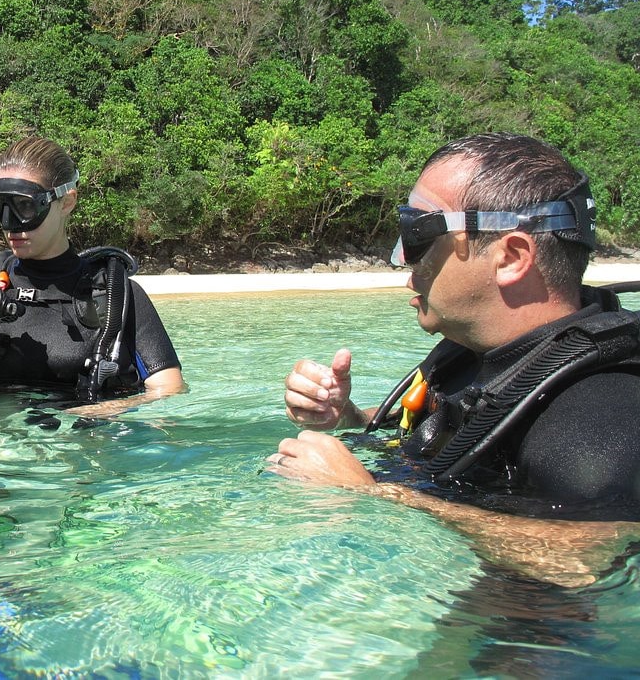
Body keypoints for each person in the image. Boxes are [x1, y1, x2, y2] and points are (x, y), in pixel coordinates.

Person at [273, 132, 640, 586]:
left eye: (419, 233)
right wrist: (346, 416)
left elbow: (579, 563)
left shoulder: (602, 416)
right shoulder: (479, 354)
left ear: (510, 257)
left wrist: (369, 494)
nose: (404, 260)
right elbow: (461, 430)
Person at [0, 136, 184, 417]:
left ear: (66, 203)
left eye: (25, 206)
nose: (11, 226)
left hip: (74, 452)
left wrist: (95, 412)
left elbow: (170, 390)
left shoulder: (115, 293)